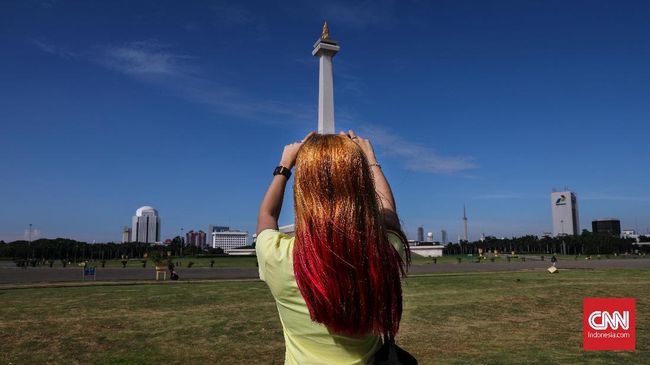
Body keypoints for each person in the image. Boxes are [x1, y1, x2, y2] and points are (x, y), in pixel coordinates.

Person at [256, 130, 414, 365]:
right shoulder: (384, 252)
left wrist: (285, 165)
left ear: (303, 190)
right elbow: (389, 216)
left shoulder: (278, 256)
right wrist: (370, 159)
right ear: (360, 187)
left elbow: (267, 216)